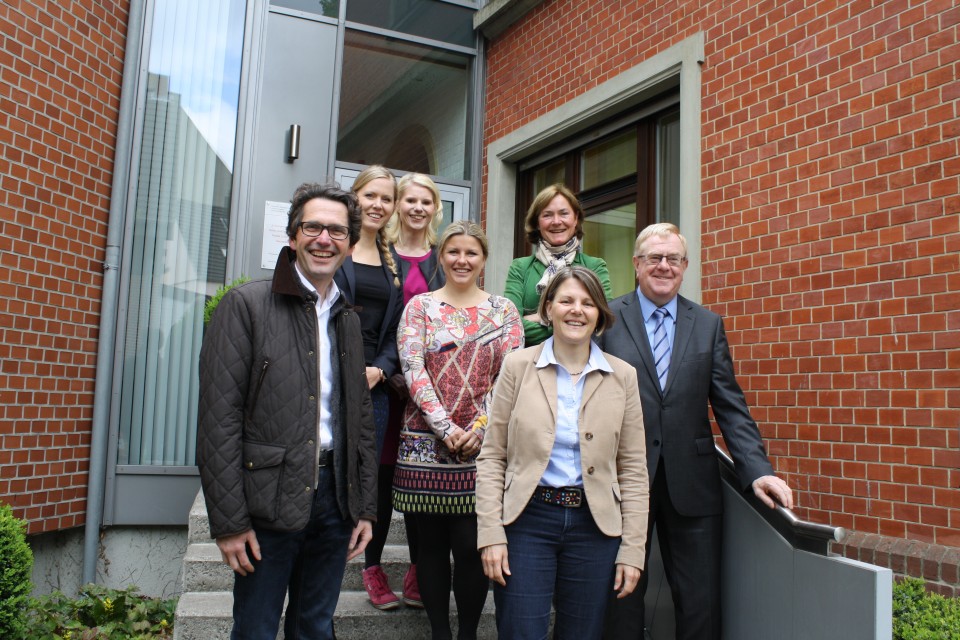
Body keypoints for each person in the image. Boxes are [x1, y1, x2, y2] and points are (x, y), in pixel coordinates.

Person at [197, 182, 378, 640]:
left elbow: (360, 419)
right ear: (293, 235)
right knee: (255, 629)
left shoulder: (348, 318)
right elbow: (218, 420)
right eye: (312, 227)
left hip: (335, 503)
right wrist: (230, 522)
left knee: (315, 627)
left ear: (351, 244)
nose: (324, 239)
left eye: (337, 231)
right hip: (266, 504)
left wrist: (365, 508)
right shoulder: (246, 306)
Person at [600, 223, 794, 640]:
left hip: (694, 484)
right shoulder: (608, 321)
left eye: (673, 259)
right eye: (654, 258)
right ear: (637, 264)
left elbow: (730, 405)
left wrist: (758, 470)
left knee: (700, 601)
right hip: (622, 481)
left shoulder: (707, 324)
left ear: (685, 267)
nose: (664, 266)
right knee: (620, 595)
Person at [477, 266, 649, 640]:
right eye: (567, 300)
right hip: (527, 521)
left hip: (595, 526)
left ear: (600, 315)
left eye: (588, 303)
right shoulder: (517, 366)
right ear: (548, 308)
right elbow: (492, 457)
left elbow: (634, 469)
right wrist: (490, 532)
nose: (577, 310)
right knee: (521, 631)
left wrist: (634, 549)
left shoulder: (622, 376)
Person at [394, 220, 523, 640]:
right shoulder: (419, 308)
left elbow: (509, 377)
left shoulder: (503, 311)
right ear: (441, 256)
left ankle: (466, 633)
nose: (462, 260)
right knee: (428, 550)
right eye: (453, 252)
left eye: (471, 253)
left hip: (482, 449)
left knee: (472, 547)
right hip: (424, 446)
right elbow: (413, 370)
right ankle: (439, 633)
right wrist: (445, 426)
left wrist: (481, 428)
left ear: (483, 259)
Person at [331, 166, 414, 611]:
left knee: (373, 479)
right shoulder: (335, 248)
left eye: (387, 198)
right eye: (371, 196)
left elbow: (395, 331)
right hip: (329, 379)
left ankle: (371, 568)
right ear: (355, 196)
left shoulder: (392, 262)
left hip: (375, 386)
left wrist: (381, 370)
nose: (379, 205)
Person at [503, 183, 612, 346]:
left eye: (564, 214)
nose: (556, 221)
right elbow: (510, 325)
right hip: (531, 365)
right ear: (537, 223)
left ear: (575, 219)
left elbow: (603, 322)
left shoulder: (594, 266)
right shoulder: (520, 267)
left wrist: (540, 318)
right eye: (547, 215)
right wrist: (573, 327)